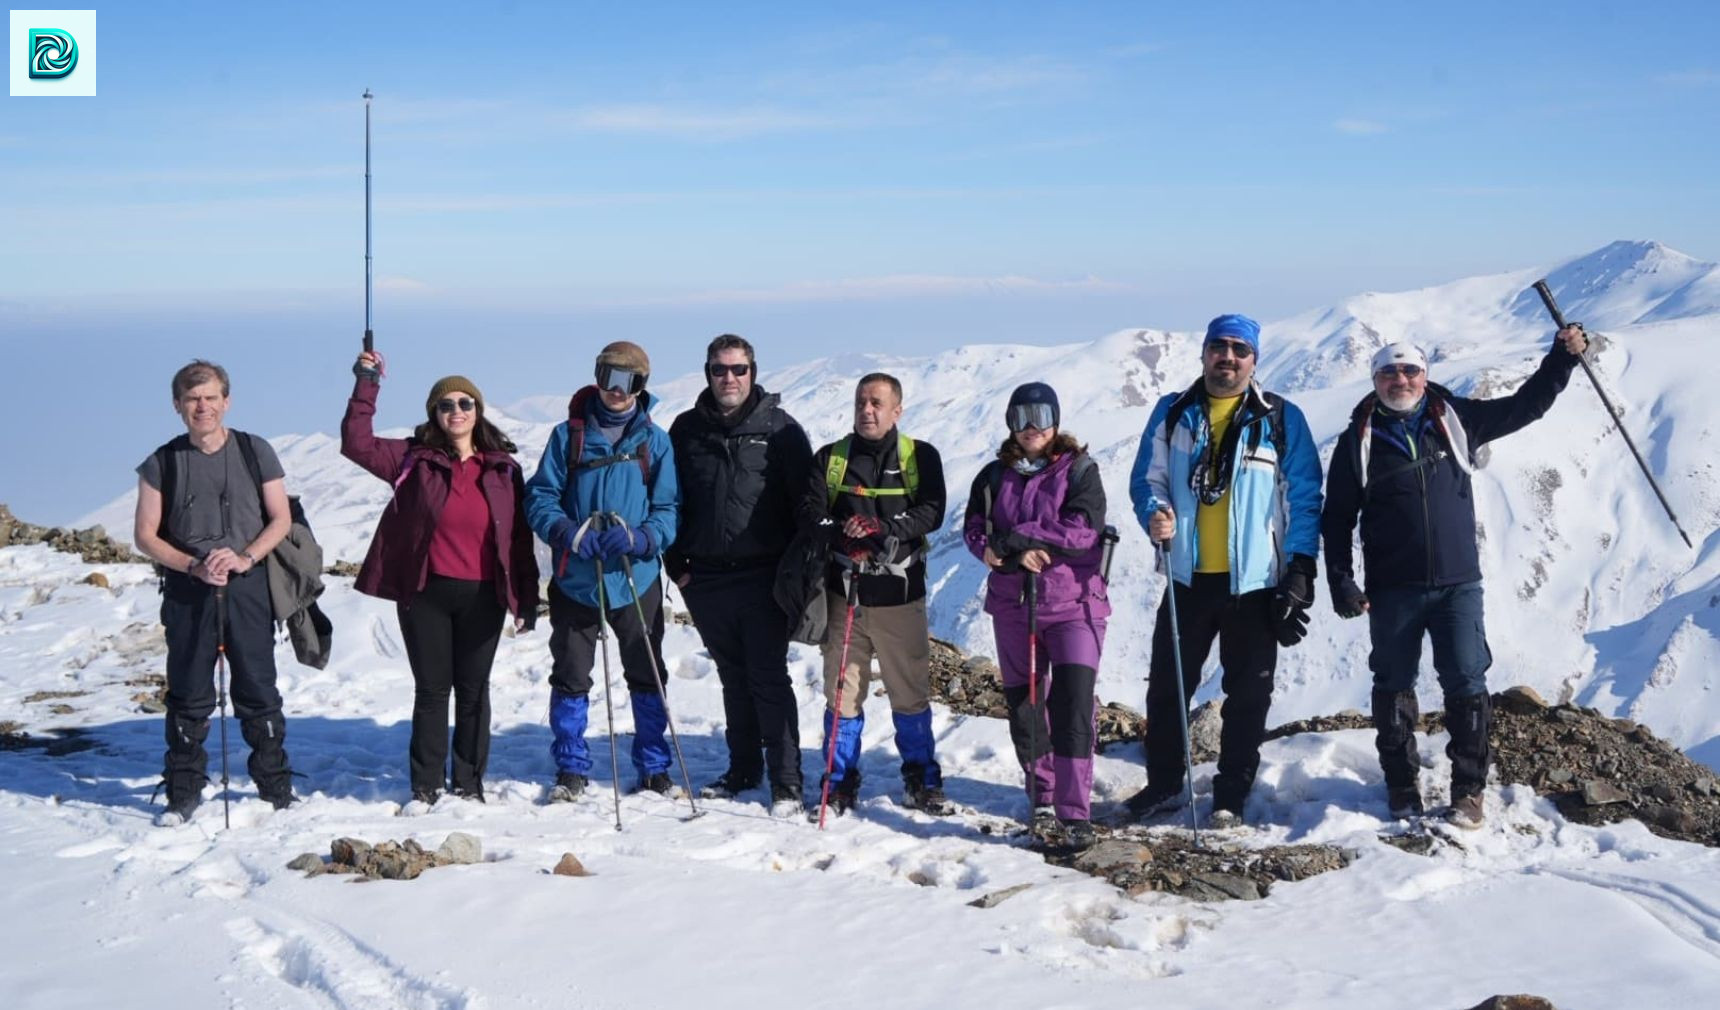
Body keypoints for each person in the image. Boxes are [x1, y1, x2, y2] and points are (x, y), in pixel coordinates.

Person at [1322, 327, 1590, 829]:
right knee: (1393, 685)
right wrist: (1341, 580)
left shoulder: (1456, 419)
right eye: (1388, 371)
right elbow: (1336, 516)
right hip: (1392, 587)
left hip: (1458, 584)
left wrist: (1562, 359)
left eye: (1409, 370)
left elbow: (1526, 406)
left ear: (1425, 377)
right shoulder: (1356, 440)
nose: (1399, 379)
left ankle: (1468, 791)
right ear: (1374, 380)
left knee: (1467, 682)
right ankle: (1402, 788)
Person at [1125, 314, 1323, 828]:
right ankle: (1165, 784)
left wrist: (1300, 571)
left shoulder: (1280, 418)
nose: (1228, 357)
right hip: (1188, 577)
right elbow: (1147, 479)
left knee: (1248, 695)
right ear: (1204, 353)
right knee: (1168, 689)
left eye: (1239, 349)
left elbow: (1302, 497)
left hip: (1254, 583)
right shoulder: (1174, 413)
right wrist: (1154, 512)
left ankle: (1230, 795)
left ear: (1255, 360)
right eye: (1219, 346)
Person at [340, 351, 541, 806]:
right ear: (434, 413)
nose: (456, 412)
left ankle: (469, 784)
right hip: (425, 591)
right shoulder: (413, 459)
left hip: (484, 594)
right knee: (432, 690)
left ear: (478, 411)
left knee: (473, 692)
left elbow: (518, 541)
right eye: (446, 404)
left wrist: (525, 598)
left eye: (465, 403)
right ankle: (425, 784)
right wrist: (366, 383)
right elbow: (356, 442)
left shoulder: (503, 469)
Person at [133, 360, 297, 824]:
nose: (202, 407)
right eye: (192, 399)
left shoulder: (254, 450)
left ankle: (275, 786)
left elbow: (280, 519)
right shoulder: (161, 462)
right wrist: (192, 564)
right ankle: (183, 791)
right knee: (188, 693)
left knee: (258, 688)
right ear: (177, 406)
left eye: (209, 397)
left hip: (248, 586)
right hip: (188, 590)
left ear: (226, 401)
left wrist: (244, 558)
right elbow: (145, 534)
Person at [666, 334, 813, 816]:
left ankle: (787, 783)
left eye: (738, 369)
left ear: (753, 371)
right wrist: (677, 566)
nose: (729, 378)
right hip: (705, 578)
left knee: (768, 677)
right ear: (707, 373)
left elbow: (804, 509)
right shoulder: (686, 430)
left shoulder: (781, 430)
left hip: (764, 576)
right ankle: (743, 768)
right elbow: (670, 502)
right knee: (733, 677)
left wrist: (794, 576)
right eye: (719, 370)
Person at [525, 342, 680, 801]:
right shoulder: (566, 437)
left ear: (642, 386)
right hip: (578, 577)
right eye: (610, 377)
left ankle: (654, 766)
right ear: (597, 376)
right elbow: (539, 497)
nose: (618, 390)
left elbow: (669, 508)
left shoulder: (655, 441)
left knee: (647, 671)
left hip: (637, 576)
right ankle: (571, 767)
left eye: (629, 382)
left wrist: (644, 537)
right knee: (571, 675)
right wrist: (568, 533)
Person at [962, 383, 1110, 846]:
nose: (1032, 427)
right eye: (1022, 416)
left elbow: (1083, 531)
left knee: (1073, 704)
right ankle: (1041, 796)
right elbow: (974, 531)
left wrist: (1019, 537)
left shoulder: (1080, 470)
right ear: (1010, 421)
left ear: (1057, 420)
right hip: (1013, 605)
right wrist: (1003, 552)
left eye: (1042, 415)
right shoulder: (992, 477)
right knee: (1025, 707)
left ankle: (1073, 810)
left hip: (1073, 605)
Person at [799, 373, 951, 817]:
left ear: (897, 410)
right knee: (842, 693)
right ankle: (840, 779)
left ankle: (921, 776)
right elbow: (809, 512)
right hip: (844, 595)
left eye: (877, 403)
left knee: (909, 692)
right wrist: (842, 538)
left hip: (899, 597)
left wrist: (883, 530)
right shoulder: (831, 459)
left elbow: (932, 511)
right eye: (861, 402)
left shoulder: (920, 457)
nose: (867, 410)